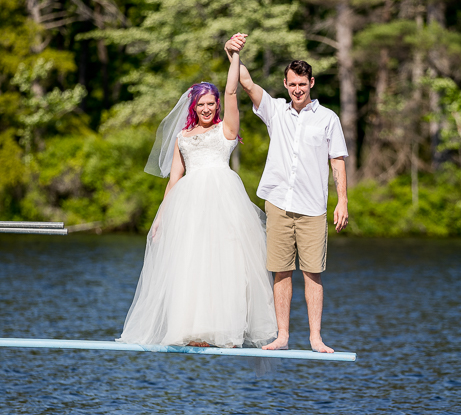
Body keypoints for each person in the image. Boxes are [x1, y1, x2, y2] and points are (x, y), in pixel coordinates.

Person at [118, 34, 277, 349]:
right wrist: (161, 219)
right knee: (193, 263)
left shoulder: (226, 128)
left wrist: (232, 55)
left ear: (217, 105)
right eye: (200, 104)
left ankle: (227, 331)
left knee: (227, 261)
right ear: (194, 106)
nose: (206, 108)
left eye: (210, 103)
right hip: (188, 203)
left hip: (223, 199)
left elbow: (232, 89)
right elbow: (174, 178)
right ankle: (192, 330)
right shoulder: (183, 136)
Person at [238, 48, 349, 353]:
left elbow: (337, 160)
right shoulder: (275, 110)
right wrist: (233, 53)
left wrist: (343, 202)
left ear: (311, 82)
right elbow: (246, 82)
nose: (298, 89)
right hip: (278, 204)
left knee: (313, 273)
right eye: (292, 84)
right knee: (281, 270)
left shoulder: (328, 119)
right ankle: (283, 335)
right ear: (285, 85)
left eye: (303, 83)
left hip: (313, 207)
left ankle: (315, 338)